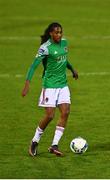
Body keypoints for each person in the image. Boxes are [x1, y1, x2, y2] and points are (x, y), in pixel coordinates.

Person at [22, 22, 78, 157]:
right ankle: (35, 141)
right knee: (50, 115)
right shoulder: (45, 48)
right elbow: (33, 66)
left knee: (66, 112)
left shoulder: (64, 43)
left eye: (60, 32)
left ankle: (54, 145)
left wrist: (72, 69)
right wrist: (27, 83)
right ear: (51, 34)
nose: (59, 35)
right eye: (56, 32)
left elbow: (63, 59)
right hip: (50, 86)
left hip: (63, 84)